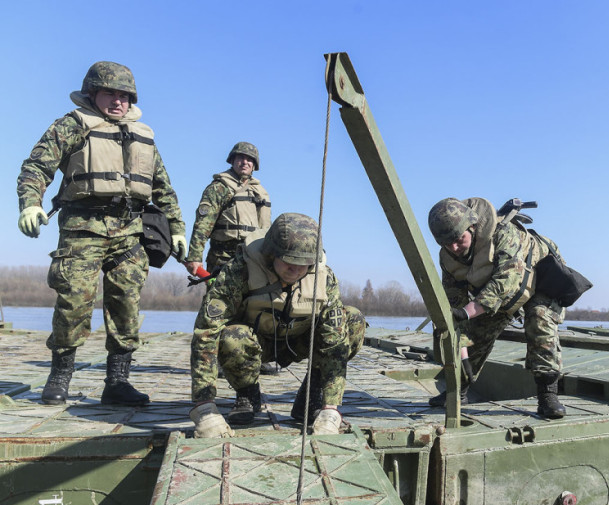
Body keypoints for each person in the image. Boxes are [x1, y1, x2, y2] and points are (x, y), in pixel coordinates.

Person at [16, 61, 186, 407]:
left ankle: (117, 383)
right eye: (110, 93)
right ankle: (60, 376)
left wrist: (178, 229)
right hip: (83, 227)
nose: (118, 101)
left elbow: (163, 188)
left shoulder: (143, 135)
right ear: (92, 93)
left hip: (130, 231)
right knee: (74, 300)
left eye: (124, 95)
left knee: (126, 303)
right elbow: (36, 166)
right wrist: (30, 204)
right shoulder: (72, 124)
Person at [188, 212, 366, 438]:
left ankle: (312, 395)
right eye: (289, 262)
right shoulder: (240, 271)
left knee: (352, 320)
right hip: (255, 342)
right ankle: (248, 393)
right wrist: (204, 406)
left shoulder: (324, 278)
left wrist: (331, 409)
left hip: (300, 340)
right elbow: (206, 332)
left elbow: (335, 342)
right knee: (232, 336)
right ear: (271, 254)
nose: (296, 271)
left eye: (304, 265)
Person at [427, 197, 567, 419]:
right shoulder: (448, 259)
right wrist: (462, 349)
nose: (454, 248)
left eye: (459, 239)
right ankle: (458, 391)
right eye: (446, 243)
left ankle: (548, 395)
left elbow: (506, 281)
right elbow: (455, 304)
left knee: (539, 318)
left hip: (539, 279)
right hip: (498, 294)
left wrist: (466, 312)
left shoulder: (503, 234)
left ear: (472, 227)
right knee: (473, 332)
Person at [183, 142, 270, 277]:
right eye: (240, 158)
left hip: (252, 260)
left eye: (249, 159)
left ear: (254, 165)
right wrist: (195, 256)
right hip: (223, 259)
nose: (245, 162)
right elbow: (203, 224)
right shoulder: (220, 188)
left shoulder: (259, 192)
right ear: (232, 160)